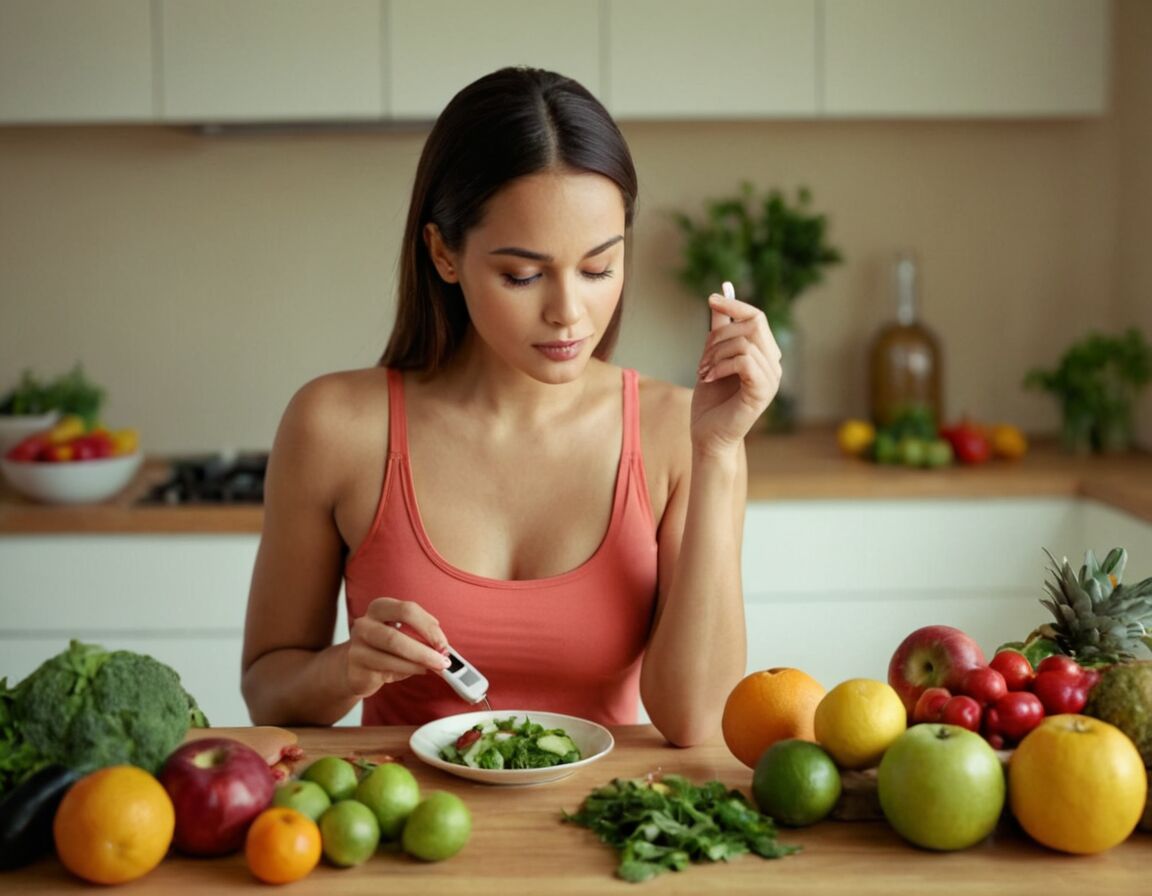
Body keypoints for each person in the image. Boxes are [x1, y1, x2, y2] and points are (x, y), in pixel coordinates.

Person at [240, 67, 781, 747]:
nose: (568, 313)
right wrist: (345, 668)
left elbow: (697, 719)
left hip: (601, 834)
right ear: (443, 253)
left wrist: (720, 452)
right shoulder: (335, 427)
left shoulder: (678, 432)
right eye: (522, 275)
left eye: (598, 268)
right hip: (405, 834)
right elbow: (268, 690)